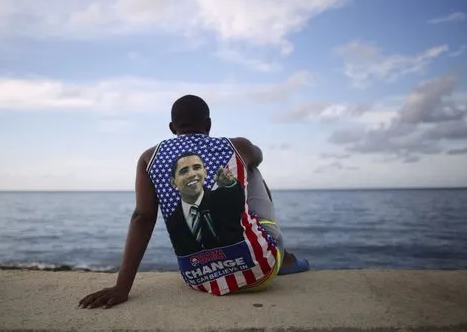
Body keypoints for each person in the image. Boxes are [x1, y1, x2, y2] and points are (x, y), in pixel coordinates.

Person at [78, 95, 309, 309]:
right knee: (251, 168)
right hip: (260, 272)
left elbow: (143, 217)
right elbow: (258, 156)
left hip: (199, 279)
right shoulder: (237, 146)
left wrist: (122, 288)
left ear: (172, 128)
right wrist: (242, 157)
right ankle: (283, 256)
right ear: (208, 124)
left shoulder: (149, 158)